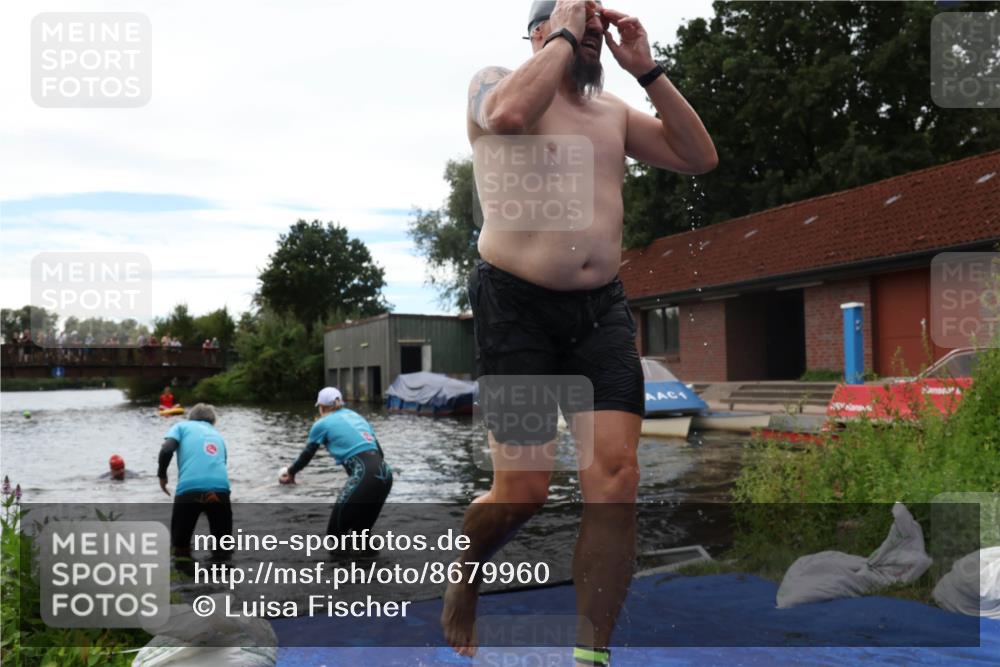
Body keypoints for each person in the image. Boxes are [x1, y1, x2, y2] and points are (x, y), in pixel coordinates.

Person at [443, 1, 717, 664]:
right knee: (523, 492)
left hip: (601, 311)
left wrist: (647, 69)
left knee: (616, 479)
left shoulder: (612, 115)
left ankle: (590, 654)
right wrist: (569, 24)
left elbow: (699, 156)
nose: (592, 39)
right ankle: (467, 567)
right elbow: (506, 117)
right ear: (542, 33)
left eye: (595, 32)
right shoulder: (495, 83)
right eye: (579, 28)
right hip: (515, 310)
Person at [278, 387, 393, 541]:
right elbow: (380, 453)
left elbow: (306, 455)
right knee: (361, 535)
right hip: (385, 474)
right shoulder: (357, 417)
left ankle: (340, 565)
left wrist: (291, 472)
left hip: (365, 474)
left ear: (322, 407)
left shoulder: (321, 423)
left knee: (335, 535)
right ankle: (367, 564)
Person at [157, 404, 232, 566]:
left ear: (191, 418)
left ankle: (185, 582)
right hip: (220, 491)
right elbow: (222, 465)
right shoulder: (218, 435)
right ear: (213, 421)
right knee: (223, 547)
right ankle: (223, 583)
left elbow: (167, 448)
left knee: (180, 546)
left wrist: (162, 475)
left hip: (189, 490)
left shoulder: (181, 426)